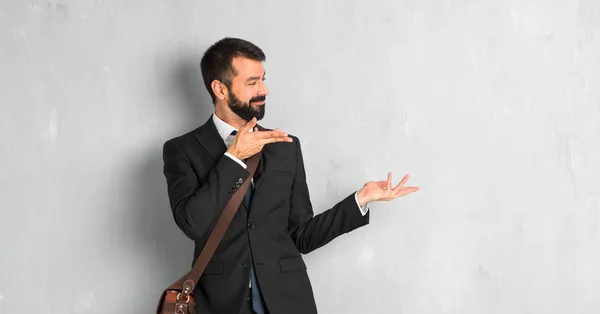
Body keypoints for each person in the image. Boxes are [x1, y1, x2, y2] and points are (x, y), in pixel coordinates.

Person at [161, 37, 419, 314]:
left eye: (263, 79)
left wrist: (360, 200)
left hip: (288, 301)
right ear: (220, 89)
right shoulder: (182, 150)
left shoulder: (285, 147)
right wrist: (233, 157)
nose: (264, 90)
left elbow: (301, 236)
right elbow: (192, 223)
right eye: (252, 82)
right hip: (220, 304)